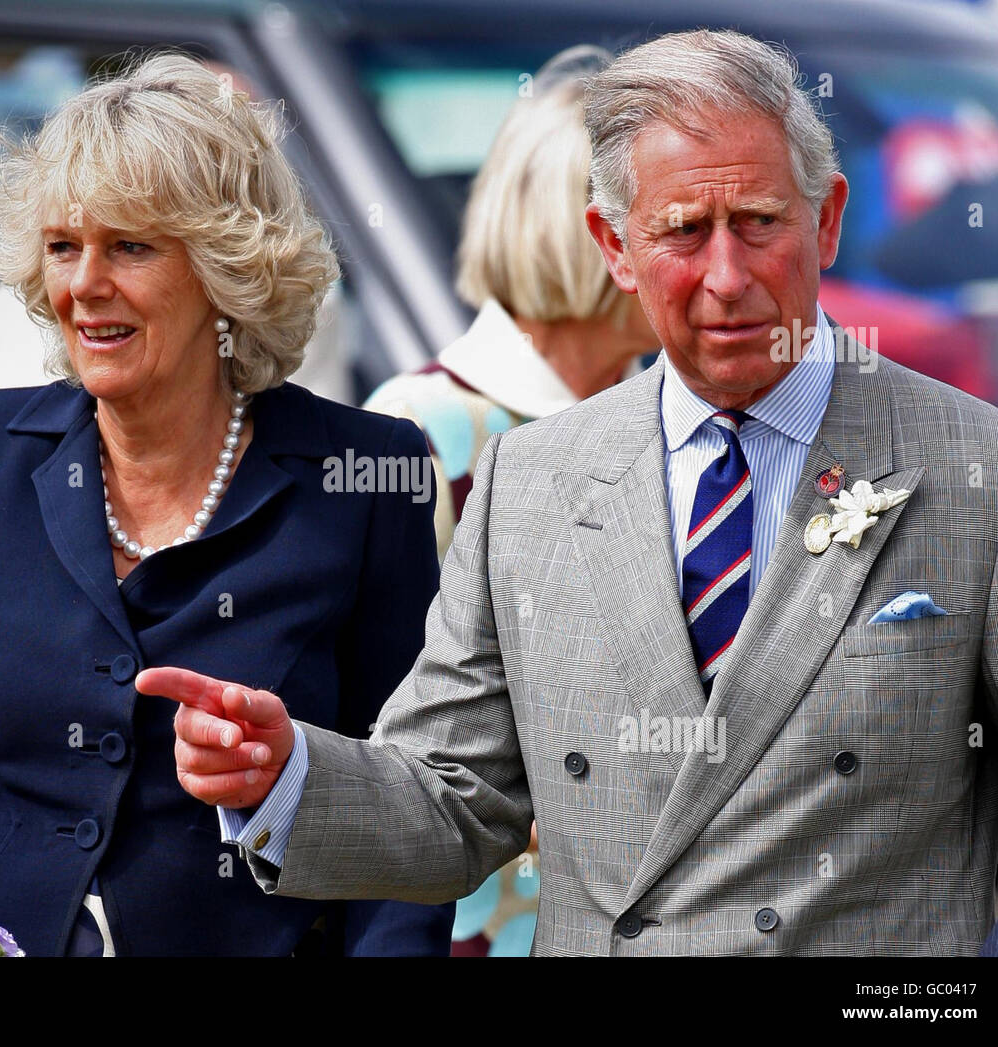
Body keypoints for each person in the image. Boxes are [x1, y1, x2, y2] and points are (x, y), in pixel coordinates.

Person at [153, 29, 998, 955]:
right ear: (613, 245)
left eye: (760, 223)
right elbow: (455, 794)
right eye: (684, 232)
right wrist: (285, 775)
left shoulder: (988, 473)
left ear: (828, 220)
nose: (727, 279)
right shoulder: (530, 479)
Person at [0, 53, 453, 957]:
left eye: (131, 246)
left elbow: (408, 806)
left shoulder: (365, 474)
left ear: (226, 265)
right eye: (65, 247)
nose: (84, 285)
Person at [364, 44, 659, 954]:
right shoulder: (420, 429)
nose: (715, 263)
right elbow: (390, 742)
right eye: (676, 223)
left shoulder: (675, 419)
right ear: (597, 236)